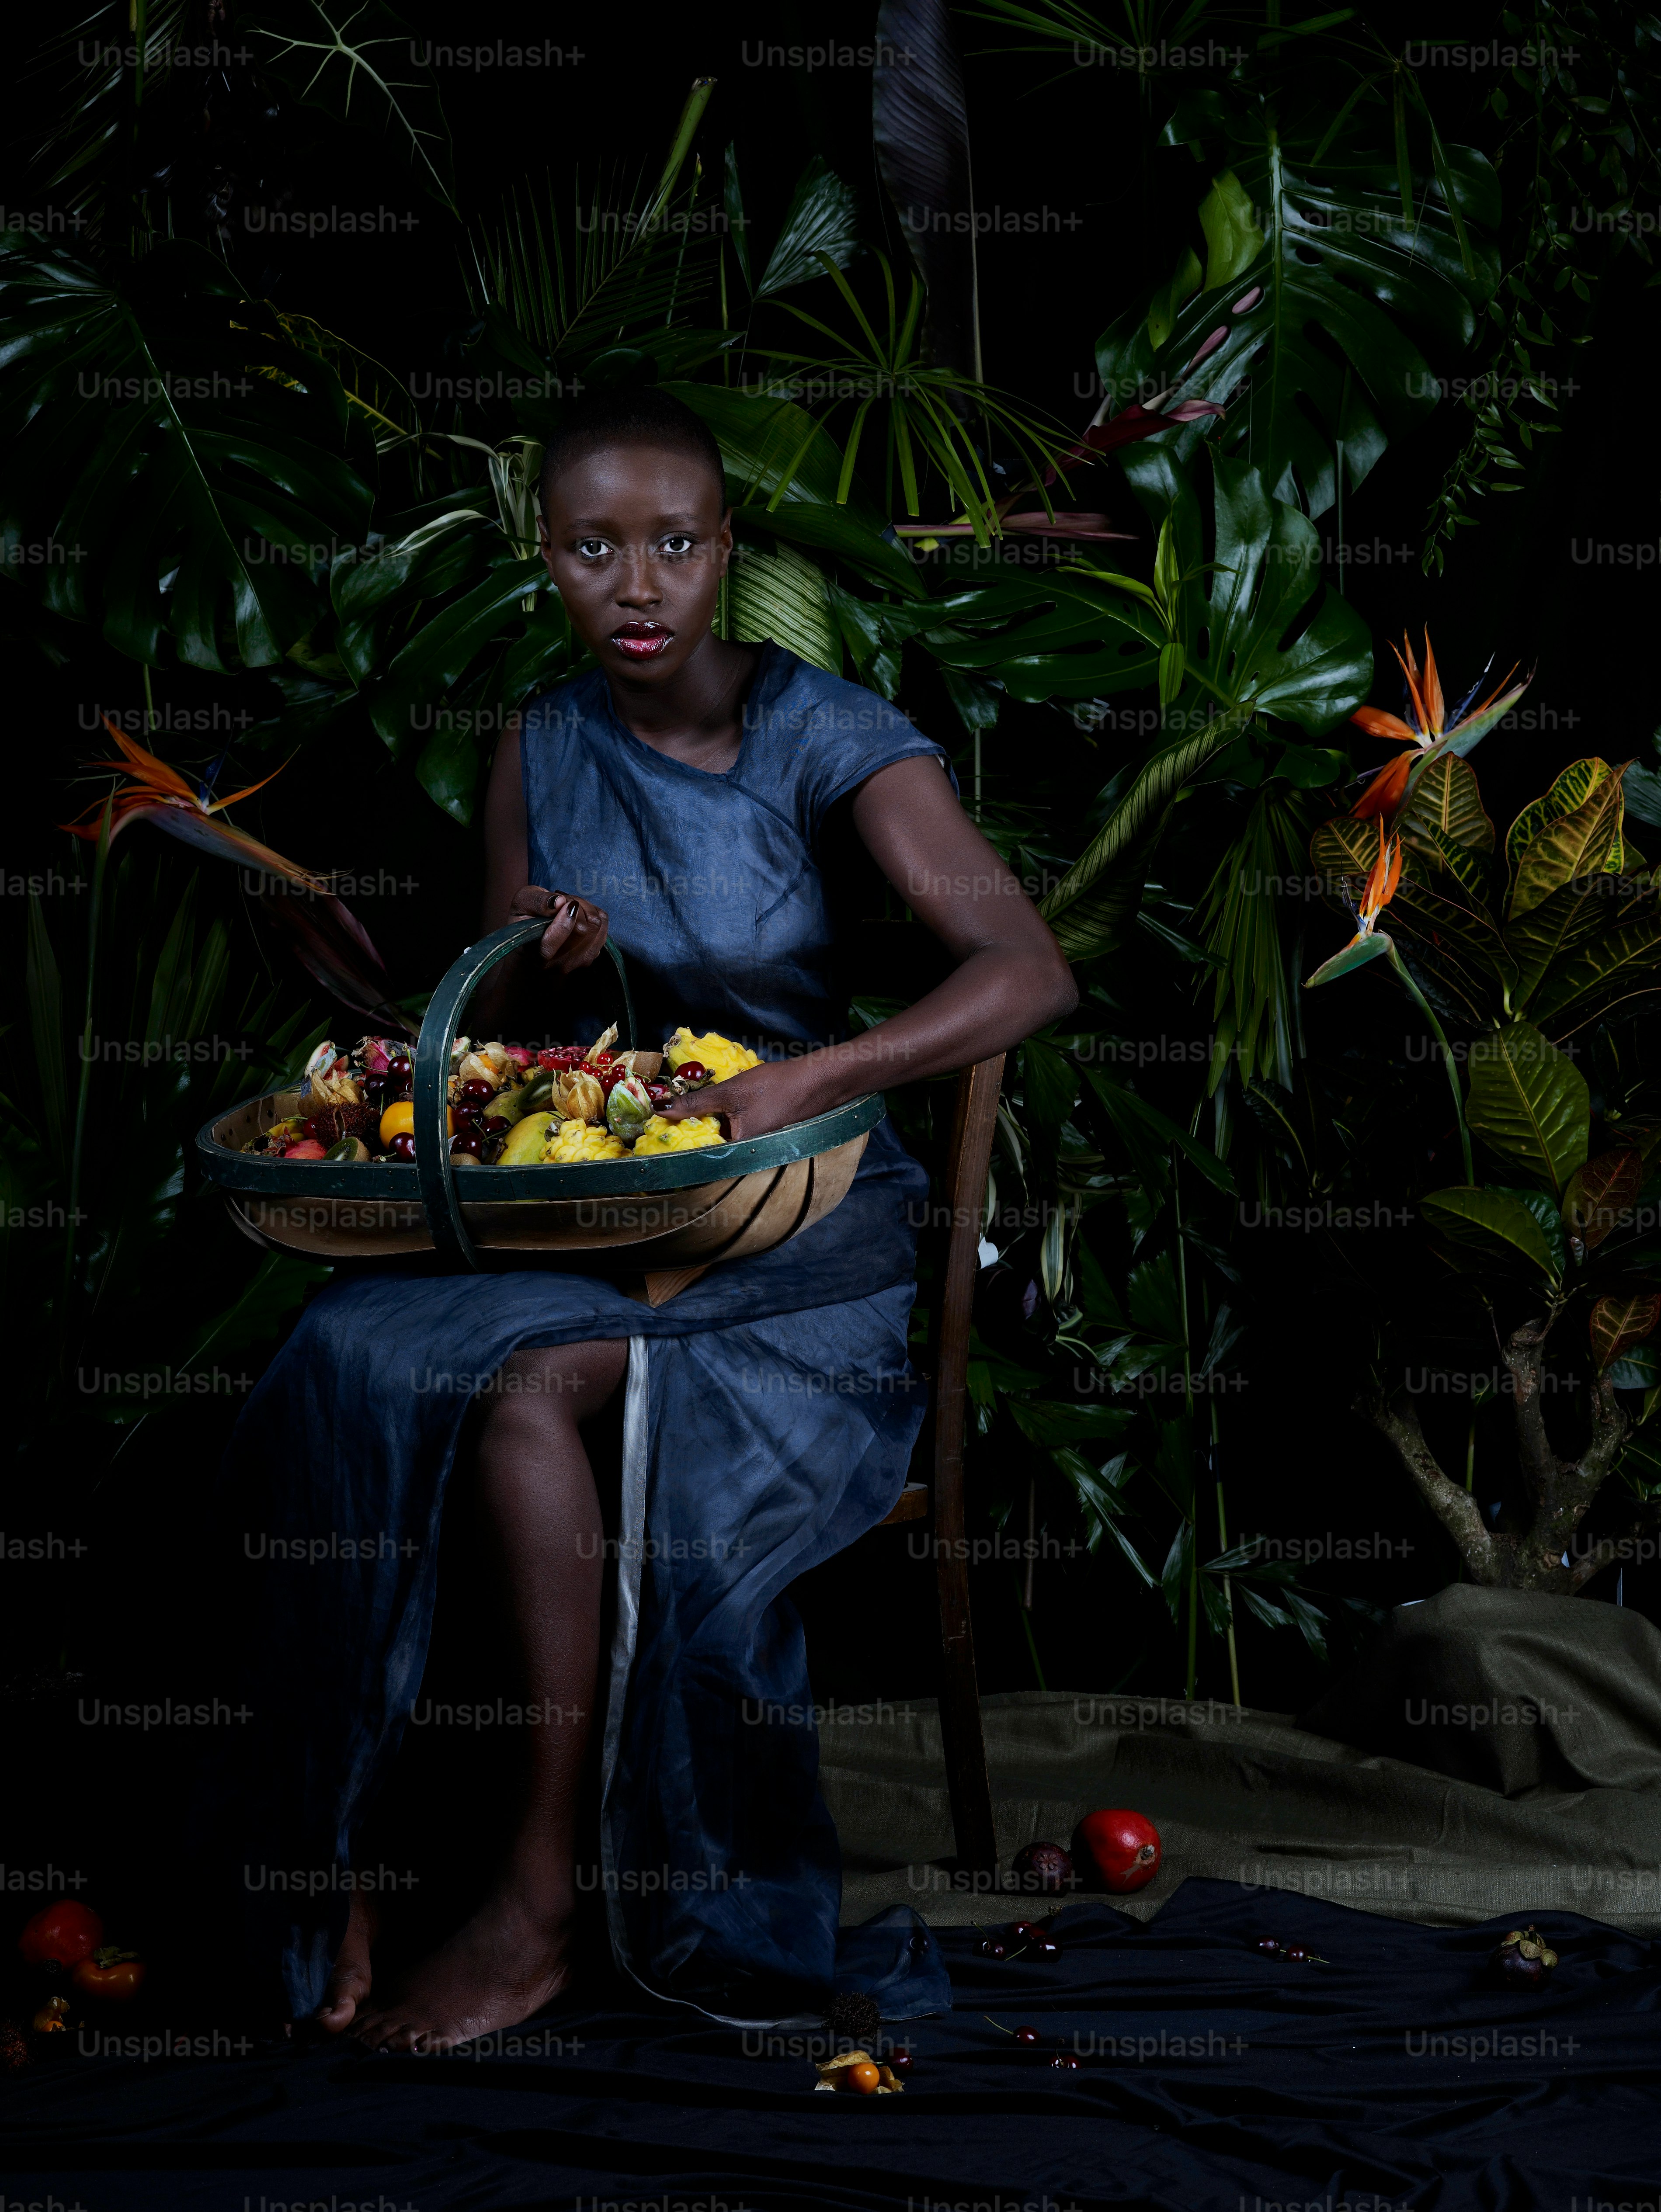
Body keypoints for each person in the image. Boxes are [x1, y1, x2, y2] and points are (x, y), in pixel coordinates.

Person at [224, 387, 1076, 2054]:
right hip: (605, 1207)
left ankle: (538, 1902)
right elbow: (492, 1049)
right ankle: (341, 1856)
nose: (639, 583)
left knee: (528, 1399)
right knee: (345, 1349)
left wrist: (813, 1073)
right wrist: (556, 959)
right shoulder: (538, 744)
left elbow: (1027, 971)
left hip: (801, 1216)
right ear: (544, 560)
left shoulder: (828, 732)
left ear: (725, 552)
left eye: (676, 544)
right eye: (596, 547)